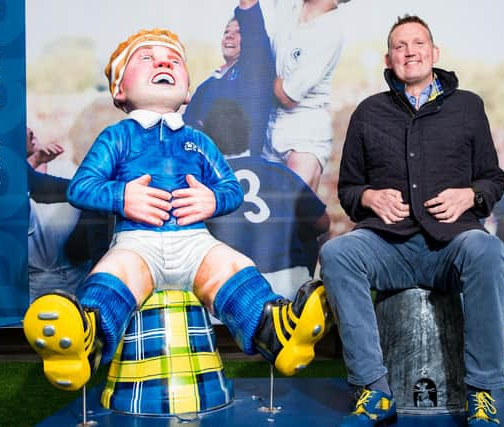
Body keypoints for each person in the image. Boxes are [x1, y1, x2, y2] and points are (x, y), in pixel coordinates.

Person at [23, 28, 330, 392]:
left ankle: (276, 333)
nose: (164, 61)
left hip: (194, 242)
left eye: (174, 59)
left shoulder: (199, 141)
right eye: (146, 58)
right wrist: (122, 196)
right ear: (120, 89)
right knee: (114, 273)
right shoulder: (117, 137)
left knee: (232, 266)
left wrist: (213, 200)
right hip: (138, 243)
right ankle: (87, 339)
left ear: (187, 92)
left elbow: (231, 188)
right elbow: (81, 187)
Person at [318, 15, 504, 427]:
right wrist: (370, 196)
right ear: (389, 59)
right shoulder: (368, 112)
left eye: (417, 43)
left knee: (488, 250)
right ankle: (373, 389)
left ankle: (481, 392)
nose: (409, 51)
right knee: (336, 253)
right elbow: (349, 191)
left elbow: (493, 180)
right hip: (388, 245)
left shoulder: (468, 106)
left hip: (453, 244)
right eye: (400, 46)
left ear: (434, 53)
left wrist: (469, 195)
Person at [203, 99, 329, 299]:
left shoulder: (207, 181)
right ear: (248, 133)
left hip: (233, 283)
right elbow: (322, 223)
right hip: (290, 283)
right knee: (310, 228)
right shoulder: (279, 171)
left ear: (207, 140)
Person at [261, 0, 347, 192]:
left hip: (305, 132)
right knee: (266, 211)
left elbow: (287, 97)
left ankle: (317, 217)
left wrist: (259, 69)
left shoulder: (330, 32)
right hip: (269, 125)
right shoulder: (289, 7)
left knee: (291, 209)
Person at [183, 0, 275, 156]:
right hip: (206, 162)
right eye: (226, 32)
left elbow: (252, 22)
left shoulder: (254, 70)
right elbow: (188, 124)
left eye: (238, 32)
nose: (229, 36)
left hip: (243, 165)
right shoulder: (207, 84)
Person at [26, 127, 92, 301]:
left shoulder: (66, 170)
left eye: (31, 130)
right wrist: (34, 161)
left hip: (77, 277)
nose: (31, 133)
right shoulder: (7, 184)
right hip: (34, 285)